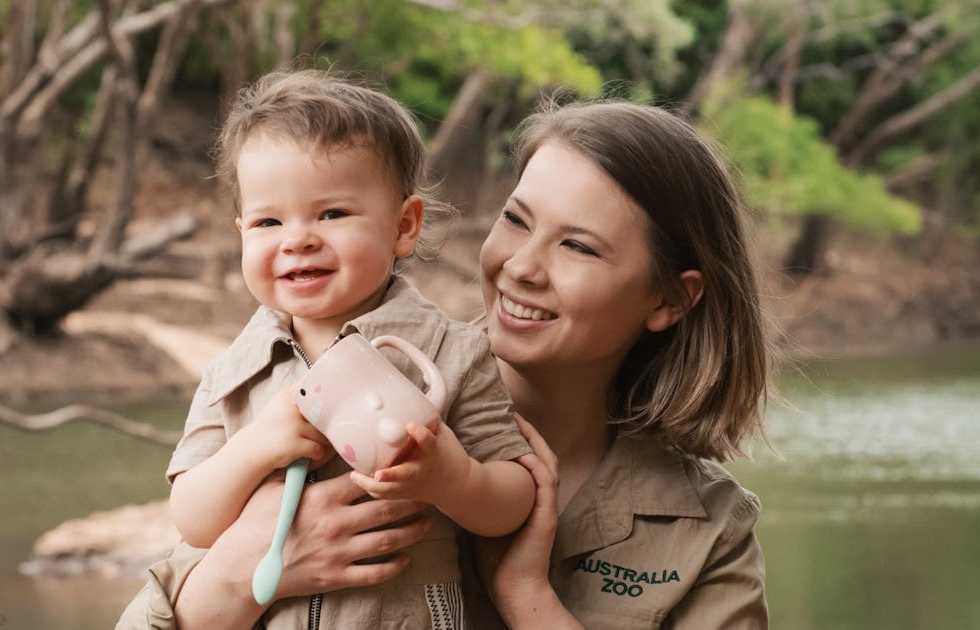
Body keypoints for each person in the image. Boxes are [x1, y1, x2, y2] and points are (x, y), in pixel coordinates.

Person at [118, 98, 770, 629]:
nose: (519, 267)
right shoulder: (307, 382)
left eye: (577, 246)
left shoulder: (708, 533)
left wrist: (525, 598)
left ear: (671, 297)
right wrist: (245, 571)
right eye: (515, 221)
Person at [159, 69, 535, 629]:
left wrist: (449, 476)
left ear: (403, 226)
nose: (297, 238)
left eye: (331, 213)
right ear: (241, 234)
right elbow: (193, 520)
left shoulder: (453, 353)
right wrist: (259, 445)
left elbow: (514, 499)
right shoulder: (231, 375)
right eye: (267, 221)